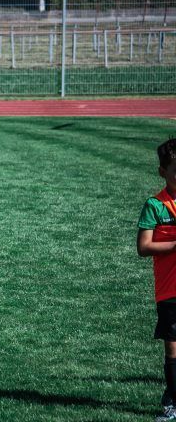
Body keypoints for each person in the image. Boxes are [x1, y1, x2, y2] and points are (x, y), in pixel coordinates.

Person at [138, 139, 176, 422]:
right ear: (162, 172)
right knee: (173, 347)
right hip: (169, 290)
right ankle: (172, 401)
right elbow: (143, 247)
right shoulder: (154, 205)